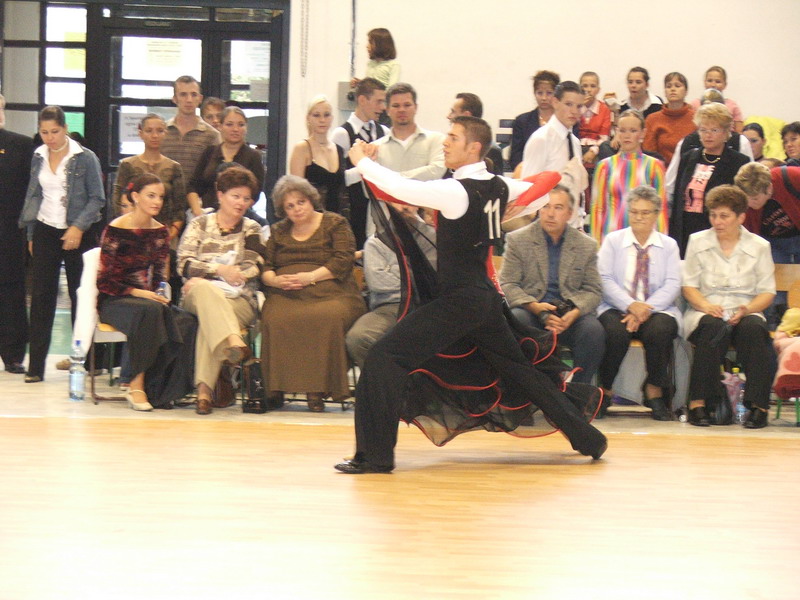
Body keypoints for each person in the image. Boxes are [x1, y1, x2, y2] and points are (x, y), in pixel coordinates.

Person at [335, 116, 607, 474]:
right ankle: (589, 439)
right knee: (521, 372)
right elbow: (545, 185)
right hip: (484, 300)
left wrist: (360, 159)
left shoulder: (456, 191)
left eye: (453, 137)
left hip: (460, 302)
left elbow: (400, 188)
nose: (445, 142)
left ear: (474, 147)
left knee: (384, 357)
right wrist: (520, 207)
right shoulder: (498, 185)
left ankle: (375, 457)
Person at [260, 175, 366, 412]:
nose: (297, 209)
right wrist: (275, 281)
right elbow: (266, 267)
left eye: (301, 202)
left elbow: (343, 260)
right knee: (274, 316)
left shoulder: (335, 223)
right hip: (286, 292)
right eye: (290, 206)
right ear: (283, 210)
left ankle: (317, 389)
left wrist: (310, 277)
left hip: (332, 290)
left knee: (327, 317)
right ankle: (275, 388)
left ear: (311, 200)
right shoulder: (278, 231)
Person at [18, 105, 105, 383]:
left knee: (83, 296)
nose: (50, 138)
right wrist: (31, 235)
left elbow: (97, 198)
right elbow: (33, 197)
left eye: (54, 131)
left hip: (79, 230)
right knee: (41, 297)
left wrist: (78, 226)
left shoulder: (85, 157)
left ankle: (87, 361)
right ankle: (35, 366)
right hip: (45, 228)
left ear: (65, 128)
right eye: (44, 132)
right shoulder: (38, 156)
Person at [682, 185, 776, 429]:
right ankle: (698, 403)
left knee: (755, 330)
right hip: (706, 309)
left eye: (724, 216)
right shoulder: (697, 241)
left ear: (741, 217)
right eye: (713, 215)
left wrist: (747, 309)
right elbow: (689, 286)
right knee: (712, 328)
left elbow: (767, 292)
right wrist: (706, 305)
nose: (717, 221)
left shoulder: (759, 246)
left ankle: (759, 407)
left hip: (746, 309)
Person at [177, 166, 265, 415]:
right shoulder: (199, 224)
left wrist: (213, 274)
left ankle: (204, 393)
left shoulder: (252, 228)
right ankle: (234, 341)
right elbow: (184, 264)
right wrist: (219, 270)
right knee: (205, 291)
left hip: (239, 299)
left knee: (210, 319)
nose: (241, 203)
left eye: (246, 198)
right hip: (198, 295)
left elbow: (254, 266)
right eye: (235, 196)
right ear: (220, 195)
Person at [500, 185, 605, 385]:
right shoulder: (518, 240)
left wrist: (574, 313)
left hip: (570, 314)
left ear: (570, 213)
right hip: (532, 310)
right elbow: (508, 284)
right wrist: (536, 308)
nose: (550, 213)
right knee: (517, 319)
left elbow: (593, 290)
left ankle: (578, 390)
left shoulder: (586, 245)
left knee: (594, 331)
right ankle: (529, 389)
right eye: (545, 207)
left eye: (558, 208)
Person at [97, 174, 183, 411]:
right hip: (115, 300)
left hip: (147, 300)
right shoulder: (116, 229)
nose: (157, 202)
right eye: (151, 196)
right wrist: (139, 293)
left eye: (160, 197)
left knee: (186, 319)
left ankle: (162, 389)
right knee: (150, 311)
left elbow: (158, 277)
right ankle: (136, 384)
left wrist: (157, 294)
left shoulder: (160, 232)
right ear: (135, 197)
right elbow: (105, 282)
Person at [596, 186, 681, 420]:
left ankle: (654, 390)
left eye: (645, 213)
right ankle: (605, 390)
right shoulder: (613, 241)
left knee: (660, 330)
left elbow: (673, 283)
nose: (639, 217)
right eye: (634, 212)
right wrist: (630, 305)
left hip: (657, 308)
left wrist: (644, 309)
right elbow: (603, 278)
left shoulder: (669, 245)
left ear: (656, 214)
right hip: (616, 306)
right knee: (614, 332)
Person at [345, 203, 436, 368]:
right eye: (396, 202)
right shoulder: (375, 243)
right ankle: (387, 381)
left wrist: (393, 270)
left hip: (428, 305)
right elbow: (379, 283)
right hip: (390, 308)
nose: (402, 208)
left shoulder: (433, 237)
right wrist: (413, 274)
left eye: (406, 201)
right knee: (359, 338)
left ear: (416, 204)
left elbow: (433, 279)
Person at [669, 103, 750, 257]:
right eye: (703, 130)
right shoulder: (688, 158)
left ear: (726, 132)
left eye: (714, 130)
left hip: (718, 231)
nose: (708, 135)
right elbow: (678, 199)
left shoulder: (738, 162)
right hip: (686, 231)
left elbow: (740, 204)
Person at [735, 161, 800, 323]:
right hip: (772, 243)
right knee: (775, 296)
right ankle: (775, 327)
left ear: (769, 188)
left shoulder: (791, 176)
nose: (750, 204)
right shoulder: (743, 200)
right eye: (746, 199)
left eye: (755, 198)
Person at [590, 110, 667, 242]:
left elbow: (661, 209)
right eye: (622, 130)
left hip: (645, 239)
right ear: (616, 132)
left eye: (633, 130)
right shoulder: (604, 166)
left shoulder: (655, 166)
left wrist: (660, 243)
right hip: (612, 238)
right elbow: (597, 208)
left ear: (642, 133)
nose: (627, 135)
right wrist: (596, 245)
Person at [331, 78, 389, 249]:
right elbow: (338, 179)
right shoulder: (341, 134)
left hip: (380, 208)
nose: (383, 107)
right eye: (378, 101)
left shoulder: (385, 132)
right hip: (353, 211)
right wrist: (366, 165)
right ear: (362, 100)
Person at [0, 93, 34, 374]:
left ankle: (12, 354)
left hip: (10, 232)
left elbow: (31, 192)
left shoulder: (21, 145)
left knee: (11, 291)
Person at [111, 114, 186, 240]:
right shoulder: (127, 164)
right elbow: (117, 199)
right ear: (140, 133)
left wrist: (172, 232)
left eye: (160, 131)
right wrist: (124, 227)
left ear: (165, 133)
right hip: (131, 231)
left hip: (164, 231)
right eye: (149, 131)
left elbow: (180, 205)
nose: (154, 135)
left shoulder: (174, 167)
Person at [161, 75, 221, 216]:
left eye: (193, 95)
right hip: (164, 206)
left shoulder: (212, 135)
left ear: (200, 98)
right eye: (183, 94)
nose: (189, 100)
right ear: (174, 98)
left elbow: (214, 176)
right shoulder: (162, 132)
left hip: (199, 208)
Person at [186, 106, 264, 214]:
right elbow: (193, 185)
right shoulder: (209, 152)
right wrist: (197, 212)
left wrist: (235, 211)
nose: (235, 129)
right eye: (229, 124)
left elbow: (256, 192)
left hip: (240, 214)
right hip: (207, 213)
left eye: (241, 125)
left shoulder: (253, 156)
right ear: (220, 126)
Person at [510, 70, 578, 170]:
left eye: (549, 93)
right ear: (534, 93)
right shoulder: (522, 121)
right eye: (540, 93)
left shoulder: (568, 121)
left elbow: (572, 155)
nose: (544, 98)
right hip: (529, 172)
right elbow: (515, 156)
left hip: (560, 173)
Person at [289, 95, 344, 213]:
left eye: (326, 115)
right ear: (308, 118)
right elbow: (296, 193)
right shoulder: (302, 149)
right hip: (310, 217)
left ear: (332, 118)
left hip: (337, 218)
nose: (322, 120)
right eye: (316, 115)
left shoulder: (338, 150)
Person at [643, 72, 696, 166]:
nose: (672, 89)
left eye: (677, 86)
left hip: (689, 169)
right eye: (668, 86)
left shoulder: (696, 118)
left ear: (686, 91)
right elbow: (649, 154)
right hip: (660, 169)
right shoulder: (652, 119)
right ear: (665, 92)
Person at [447, 92, 504, 175]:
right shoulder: (449, 148)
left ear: (466, 115)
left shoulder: (492, 150)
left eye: (453, 112)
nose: (448, 116)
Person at [689, 66, 744, 133]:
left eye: (718, 81)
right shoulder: (694, 104)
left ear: (725, 84)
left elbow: (739, 131)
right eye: (709, 81)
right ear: (704, 82)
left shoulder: (732, 106)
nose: (713, 85)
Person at [578, 71, 612, 167]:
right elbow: (570, 130)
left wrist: (593, 150)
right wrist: (579, 107)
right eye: (585, 86)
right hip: (578, 146)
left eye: (592, 86)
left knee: (606, 148)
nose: (588, 90)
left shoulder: (604, 109)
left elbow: (604, 137)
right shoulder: (575, 108)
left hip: (597, 147)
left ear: (598, 90)